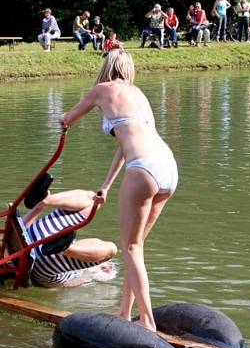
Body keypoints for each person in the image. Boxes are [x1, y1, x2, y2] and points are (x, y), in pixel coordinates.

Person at [60, 50, 178, 331]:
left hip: (144, 168)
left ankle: (148, 322)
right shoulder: (138, 94)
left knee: (130, 246)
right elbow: (126, 147)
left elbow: (68, 119)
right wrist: (106, 185)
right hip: (168, 168)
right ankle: (125, 312)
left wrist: (62, 119)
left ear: (107, 67)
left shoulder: (102, 90)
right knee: (134, 248)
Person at [0, 186, 118, 289]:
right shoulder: (88, 272)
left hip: (32, 243)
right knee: (111, 250)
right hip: (42, 262)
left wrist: (38, 208)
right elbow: (69, 281)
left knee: (92, 200)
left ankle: (46, 201)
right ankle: (64, 245)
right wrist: (90, 275)